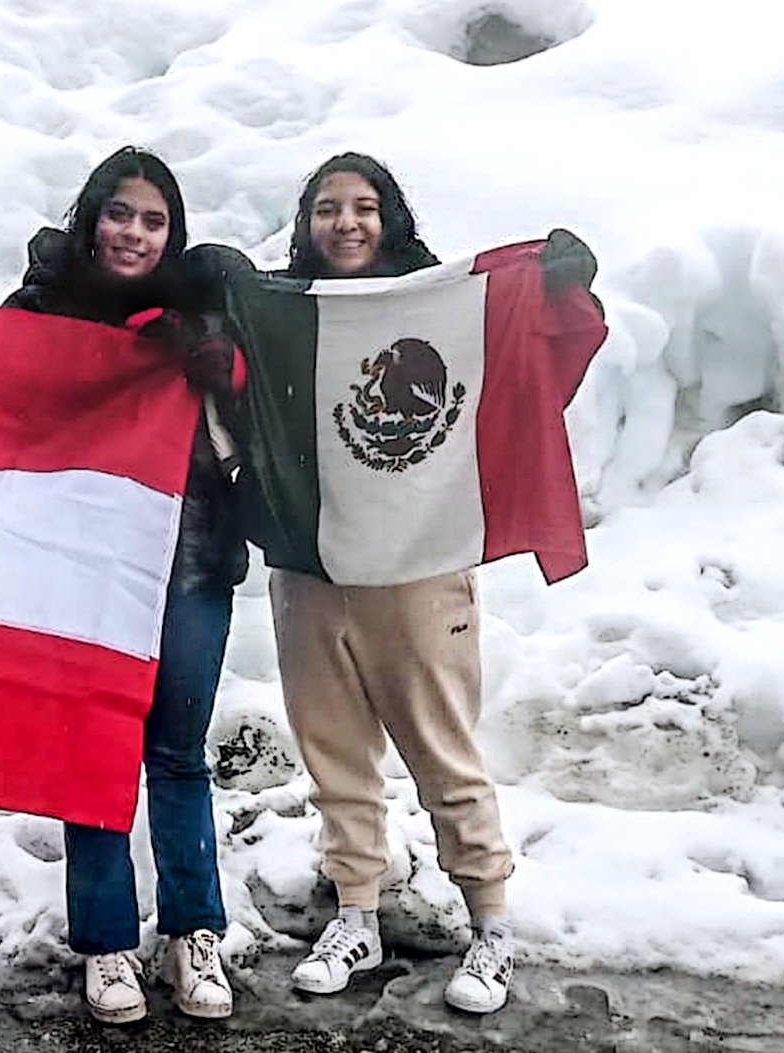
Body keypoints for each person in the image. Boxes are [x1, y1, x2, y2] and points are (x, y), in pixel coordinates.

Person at [259, 152, 599, 1015]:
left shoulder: (445, 307)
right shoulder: (283, 310)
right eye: (327, 207)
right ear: (306, 222)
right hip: (310, 568)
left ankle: (491, 923)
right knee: (335, 756)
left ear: (391, 218)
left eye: (363, 206)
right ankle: (357, 912)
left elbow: (531, 369)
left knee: (443, 754)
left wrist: (554, 288)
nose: (345, 223)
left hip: (418, 567)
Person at [2, 147, 247, 1024]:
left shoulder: (202, 308)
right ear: (90, 219)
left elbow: (259, 405)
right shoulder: (40, 308)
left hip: (190, 563)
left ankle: (194, 932)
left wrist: (218, 363)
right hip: (82, 570)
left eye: (154, 220)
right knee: (94, 751)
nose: (134, 234)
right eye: (119, 214)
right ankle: (106, 941)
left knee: (178, 752)